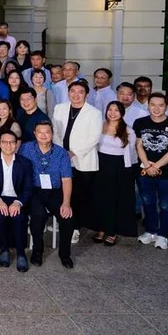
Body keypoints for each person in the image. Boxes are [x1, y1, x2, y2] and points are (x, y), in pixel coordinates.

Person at [19, 121, 75, 268]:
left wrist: (66, 203)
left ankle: (65, 254)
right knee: (39, 215)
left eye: (47, 132)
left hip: (55, 190)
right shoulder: (25, 148)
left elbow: (66, 179)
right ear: (35, 134)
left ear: (52, 134)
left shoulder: (61, 153)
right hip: (34, 190)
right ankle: (37, 252)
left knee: (67, 217)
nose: (43, 135)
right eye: (40, 132)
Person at [51, 80, 103, 237]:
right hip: (62, 156)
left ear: (86, 94)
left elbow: (94, 138)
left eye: (80, 92)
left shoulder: (94, 113)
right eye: (72, 91)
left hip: (83, 160)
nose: (76, 95)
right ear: (68, 93)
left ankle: (74, 228)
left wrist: (73, 152)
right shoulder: (59, 108)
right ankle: (64, 221)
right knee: (63, 193)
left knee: (79, 195)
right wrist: (62, 151)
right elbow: (55, 131)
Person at [135, 93, 168, 250]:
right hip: (145, 171)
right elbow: (139, 145)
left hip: (166, 173)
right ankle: (150, 230)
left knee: (165, 204)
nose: (156, 108)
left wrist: (156, 166)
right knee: (147, 202)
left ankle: (163, 234)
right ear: (148, 106)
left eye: (161, 105)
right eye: (153, 105)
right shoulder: (140, 122)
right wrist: (147, 165)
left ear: (166, 107)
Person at [90, 102, 138, 245]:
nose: (112, 113)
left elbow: (131, 153)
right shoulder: (99, 126)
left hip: (119, 167)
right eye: (110, 109)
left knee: (114, 200)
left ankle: (112, 231)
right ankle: (101, 228)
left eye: (116, 110)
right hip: (100, 165)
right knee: (100, 198)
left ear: (122, 112)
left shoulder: (128, 130)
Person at [0, 130, 34, 271]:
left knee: (19, 217)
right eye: (4, 142)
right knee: (0, 215)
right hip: (0, 197)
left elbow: (28, 188)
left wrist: (18, 202)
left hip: (17, 198)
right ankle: (4, 250)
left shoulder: (25, 163)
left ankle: (21, 253)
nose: (8, 145)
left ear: (16, 144)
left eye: (11, 142)